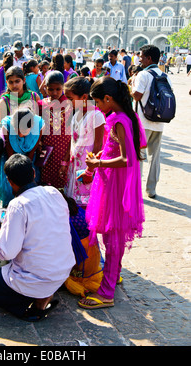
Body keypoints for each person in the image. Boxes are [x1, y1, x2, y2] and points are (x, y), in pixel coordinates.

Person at [0, 154, 75, 321]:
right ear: (33, 173)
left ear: (9, 181)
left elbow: (6, 252)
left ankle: (28, 303)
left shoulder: (18, 205)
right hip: (62, 271)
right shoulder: (53, 192)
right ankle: (43, 296)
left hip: (36, 277)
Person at [78, 76, 146, 310]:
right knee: (111, 233)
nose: (97, 107)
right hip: (114, 179)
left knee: (113, 235)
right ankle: (113, 274)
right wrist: (101, 157)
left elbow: (127, 159)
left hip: (116, 183)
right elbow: (121, 148)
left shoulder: (119, 119)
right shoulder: (125, 116)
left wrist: (99, 165)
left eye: (98, 102)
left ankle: (106, 292)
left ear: (108, 99)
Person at [132, 44, 172, 198]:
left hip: (143, 121)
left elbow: (137, 96)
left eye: (141, 56)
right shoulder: (165, 76)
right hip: (159, 122)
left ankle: (136, 190)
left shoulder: (143, 75)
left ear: (149, 58)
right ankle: (151, 189)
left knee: (139, 156)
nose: (140, 59)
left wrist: (132, 85)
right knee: (155, 158)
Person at [64, 77, 105, 207]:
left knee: (86, 202)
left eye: (71, 99)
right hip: (74, 164)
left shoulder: (97, 116)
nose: (69, 103)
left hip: (86, 167)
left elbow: (98, 145)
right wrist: (65, 162)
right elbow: (72, 141)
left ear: (84, 97)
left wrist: (89, 171)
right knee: (72, 199)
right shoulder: (77, 114)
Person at [62, 192, 103, 298]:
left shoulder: (65, 217)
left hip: (83, 255)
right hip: (93, 250)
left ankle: (80, 287)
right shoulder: (75, 206)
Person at [38, 71, 73, 189]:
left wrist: (65, 159)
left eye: (58, 89)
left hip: (64, 151)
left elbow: (74, 132)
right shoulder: (41, 104)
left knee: (63, 185)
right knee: (46, 185)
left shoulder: (70, 104)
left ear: (63, 87)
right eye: (50, 89)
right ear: (45, 88)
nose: (54, 93)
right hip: (46, 151)